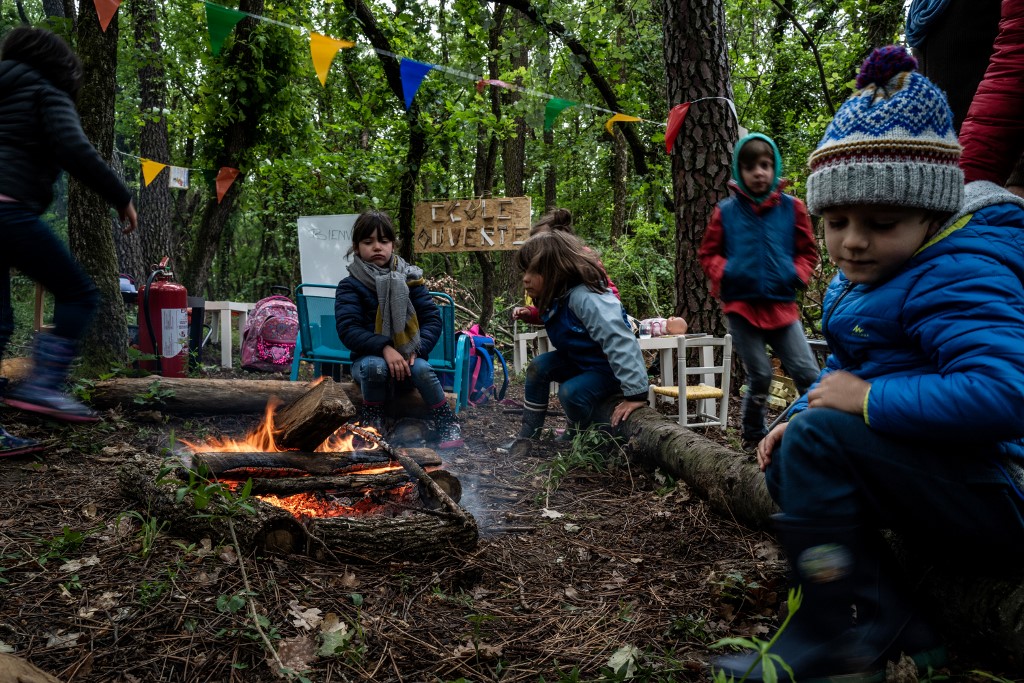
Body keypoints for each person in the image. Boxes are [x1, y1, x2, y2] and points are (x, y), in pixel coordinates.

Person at [714, 45, 1024, 682]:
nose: (853, 241)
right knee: (795, 452)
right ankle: (884, 614)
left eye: (882, 222)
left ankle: (836, 630)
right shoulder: (871, 276)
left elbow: (1005, 392)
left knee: (819, 441)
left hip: (1005, 490)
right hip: (951, 479)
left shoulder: (959, 272)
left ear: (932, 212)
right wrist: (797, 413)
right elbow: (859, 368)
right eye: (836, 222)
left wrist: (865, 404)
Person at [0, 26, 138, 456]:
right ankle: (41, 386)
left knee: (0, 321)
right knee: (79, 293)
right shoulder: (45, 89)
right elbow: (75, 148)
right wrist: (121, 198)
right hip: (8, 212)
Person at [698, 132, 821, 453]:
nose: (759, 173)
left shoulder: (792, 208)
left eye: (765, 165)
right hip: (741, 309)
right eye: (751, 166)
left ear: (774, 167)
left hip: (782, 307)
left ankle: (817, 429)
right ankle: (753, 434)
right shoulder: (726, 212)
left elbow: (808, 251)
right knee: (762, 376)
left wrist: (795, 273)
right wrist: (728, 272)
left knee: (809, 374)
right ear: (740, 170)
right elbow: (708, 254)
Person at [505, 230, 648, 451]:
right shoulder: (558, 296)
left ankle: (589, 437)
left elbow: (619, 339)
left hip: (609, 369)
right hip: (582, 362)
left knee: (571, 392)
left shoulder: (587, 297)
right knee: (538, 367)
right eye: (525, 271)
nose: (525, 278)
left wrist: (635, 393)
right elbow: (554, 318)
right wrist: (531, 314)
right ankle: (528, 436)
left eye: (534, 271)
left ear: (556, 270)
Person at [334, 210, 463, 450]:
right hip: (367, 362)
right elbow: (348, 329)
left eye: (383, 241)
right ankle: (373, 421)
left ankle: (447, 422)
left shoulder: (411, 279)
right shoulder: (350, 285)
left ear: (393, 244)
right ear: (356, 246)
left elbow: (432, 320)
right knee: (376, 366)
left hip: (409, 360)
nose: (377, 247)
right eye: (368, 241)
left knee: (423, 368)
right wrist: (384, 348)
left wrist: (416, 349)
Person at [513, 208, 619, 327]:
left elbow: (608, 297)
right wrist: (532, 313)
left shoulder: (582, 260)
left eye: (540, 244)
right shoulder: (552, 279)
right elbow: (554, 309)